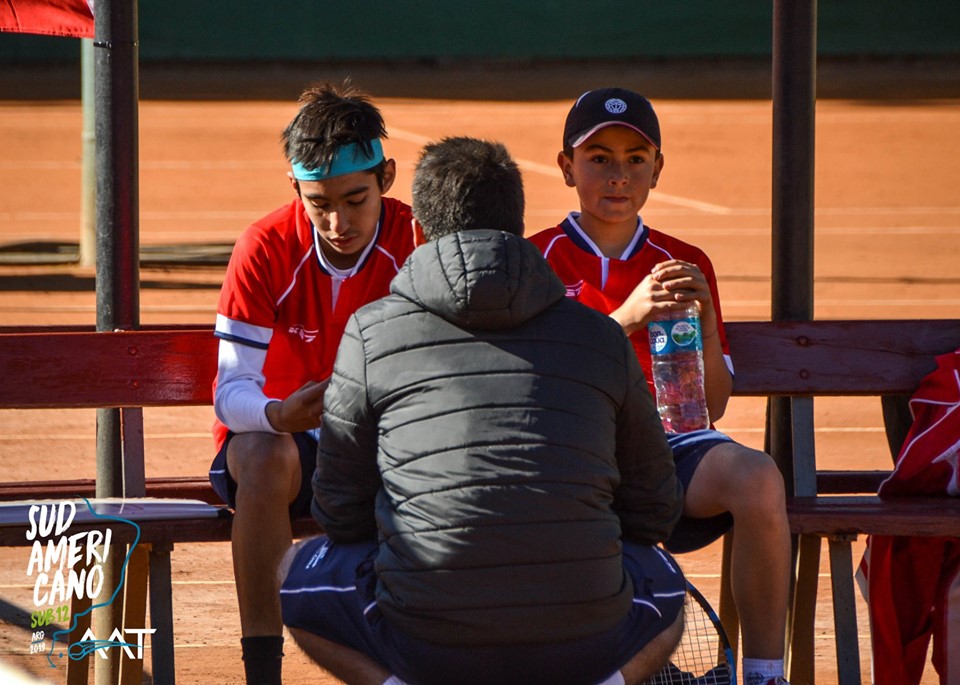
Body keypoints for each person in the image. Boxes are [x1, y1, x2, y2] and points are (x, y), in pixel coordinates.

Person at [279, 137, 687, 685]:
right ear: (517, 223)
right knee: (666, 581)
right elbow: (655, 507)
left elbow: (339, 508)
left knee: (294, 575)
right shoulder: (600, 335)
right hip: (582, 640)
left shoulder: (370, 332)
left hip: (428, 643)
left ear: (420, 228)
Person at [528, 87, 792, 685]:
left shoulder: (683, 260)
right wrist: (627, 315)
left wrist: (702, 326)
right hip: (577, 455)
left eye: (635, 159)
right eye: (598, 158)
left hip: (672, 452)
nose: (618, 175)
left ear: (657, 170)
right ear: (566, 167)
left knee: (758, 477)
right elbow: (537, 384)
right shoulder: (533, 259)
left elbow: (713, 405)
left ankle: (766, 674)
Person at [208, 81, 418, 685]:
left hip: (384, 443)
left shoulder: (418, 239)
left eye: (356, 199)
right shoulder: (264, 247)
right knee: (264, 454)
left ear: (387, 176)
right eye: (318, 202)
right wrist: (280, 415)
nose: (337, 221)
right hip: (289, 446)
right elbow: (231, 391)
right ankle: (262, 674)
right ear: (294, 189)